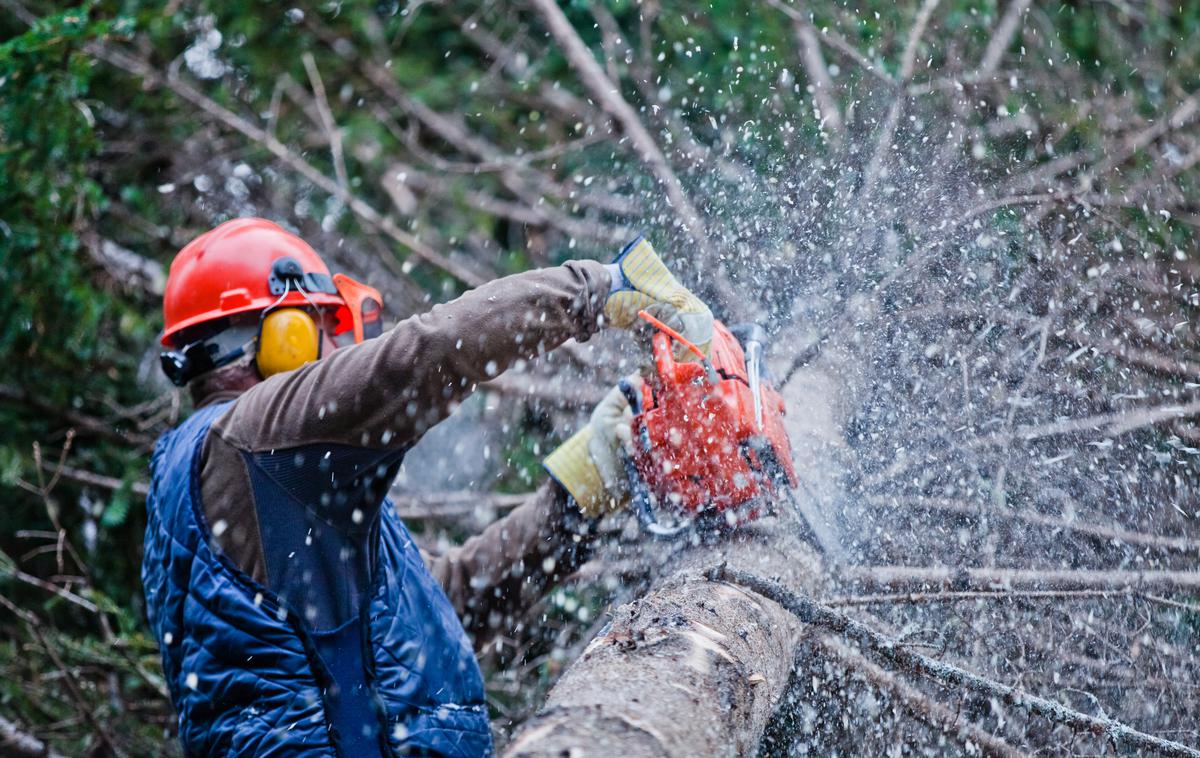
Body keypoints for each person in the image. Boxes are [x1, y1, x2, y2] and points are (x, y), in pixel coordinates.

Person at [141, 217, 712, 756]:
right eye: (321, 329)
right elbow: (423, 355)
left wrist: (579, 492)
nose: (336, 351)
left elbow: (437, 611)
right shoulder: (256, 438)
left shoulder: (247, 478)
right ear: (279, 337)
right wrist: (599, 288)